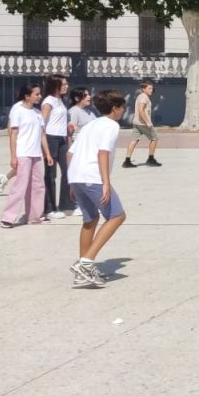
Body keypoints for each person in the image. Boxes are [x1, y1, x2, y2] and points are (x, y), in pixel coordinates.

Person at [66, 89, 129, 287]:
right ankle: (86, 263)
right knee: (117, 215)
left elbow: (70, 153)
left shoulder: (90, 125)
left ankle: (82, 270)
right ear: (115, 108)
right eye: (122, 107)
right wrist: (106, 182)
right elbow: (103, 153)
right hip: (93, 177)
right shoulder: (111, 125)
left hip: (77, 176)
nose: (123, 111)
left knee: (90, 219)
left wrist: (72, 182)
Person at [1, 82, 52, 228]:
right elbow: (13, 134)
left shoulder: (37, 113)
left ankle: (34, 216)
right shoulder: (18, 110)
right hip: (23, 153)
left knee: (38, 186)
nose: (39, 96)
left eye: (40, 94)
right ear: (27, 96)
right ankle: (8, 217)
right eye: (36, 94)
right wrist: (13, 156)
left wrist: (47, 154)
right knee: (20, 186)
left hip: (36, 154)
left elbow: (42, 135)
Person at [40, 75, 75, 218]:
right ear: (55, 85)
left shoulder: (60, 100)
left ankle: (67, 205)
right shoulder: (48, 101)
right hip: (51, 138)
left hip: (62, 138)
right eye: (64, 84)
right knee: (51, 174)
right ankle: (49, 208)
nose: (66, 86)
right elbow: (41, 123)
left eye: (67, 84)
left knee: (68, 170)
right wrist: (43, 144)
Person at [65, 87, 95, 220]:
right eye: (86, 95)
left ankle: (89, 203)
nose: (89, 97)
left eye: (89, 94)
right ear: (77, 98)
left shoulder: (89, 111)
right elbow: (70, 133)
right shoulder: (74, 112)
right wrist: (71, 150)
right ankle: (78, 205)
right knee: (78, 177)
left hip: (90, 149)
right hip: (78, 149)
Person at [122, 78, 161, 168]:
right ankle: (151, 159)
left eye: (152, 88)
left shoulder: (140, 96)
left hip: (136, 122)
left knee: (134, 140)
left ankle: (127, 161)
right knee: (154, 139)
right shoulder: (144, 97)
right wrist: (147, 122)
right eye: (149, 88)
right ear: (143, 89)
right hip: (143, 124)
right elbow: (141, 110)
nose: (151, 90)